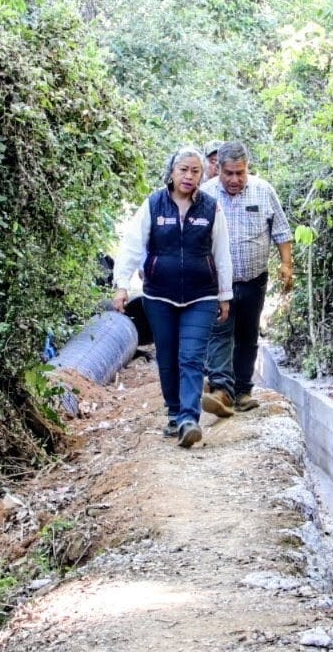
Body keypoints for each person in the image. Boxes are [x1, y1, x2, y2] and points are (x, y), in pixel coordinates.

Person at [112, 147, 232, 448]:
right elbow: (133, 245)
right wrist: (122, 284)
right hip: (159, 295)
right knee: (167, 358)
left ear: (203, 176)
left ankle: (189, 419)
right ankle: (175, 413)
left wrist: (225, 295)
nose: (189, 176)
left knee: (191, 357)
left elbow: (222, 253)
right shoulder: (154, 204)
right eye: (183, 170)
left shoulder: (211, 208)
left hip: (201, 295)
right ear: (172, 172)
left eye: (195, 171)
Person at [200, 141, 293, 415]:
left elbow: (281, 232)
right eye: (228, 173)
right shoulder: (204, 196)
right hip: (217, 284)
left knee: (247, 335)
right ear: (218, 170)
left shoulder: (264, 191)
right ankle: (221, 391)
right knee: (220, 333)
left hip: (254, 280)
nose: (234, 179)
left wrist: (287, 265)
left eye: (240, 173)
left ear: (247, 169)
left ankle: (241, 392)